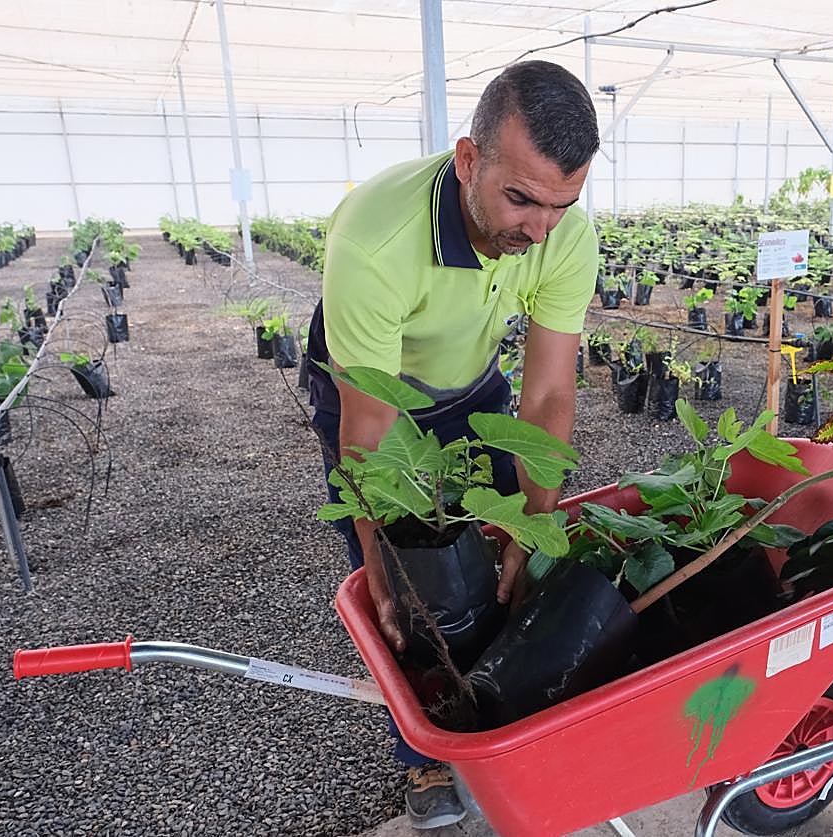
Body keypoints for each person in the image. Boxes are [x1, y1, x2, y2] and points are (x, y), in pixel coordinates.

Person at [307, 60, 599, 829]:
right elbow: (367, 426)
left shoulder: (562, 236)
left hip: (473, 382)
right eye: (521, 198)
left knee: (501, 554)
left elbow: (545, 395)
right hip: (379, 393)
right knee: (410, 588)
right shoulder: (376, 240)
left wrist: (534, 529)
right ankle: (426, 751)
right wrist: (379, 559)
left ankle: (496, 709)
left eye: (561, 206)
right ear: (470, 160)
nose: (539, 230)